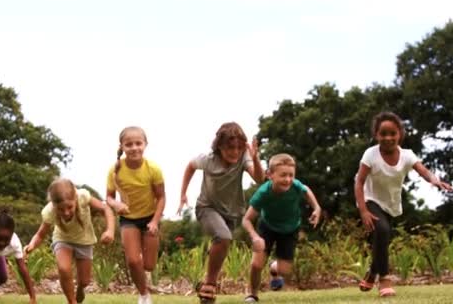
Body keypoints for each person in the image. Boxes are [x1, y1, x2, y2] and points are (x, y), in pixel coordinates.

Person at [355, 112, 452, 297]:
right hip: (370, 198)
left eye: (393, 133)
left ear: (400, 134)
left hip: (391, 203)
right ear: (376, 135)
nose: (388, 138)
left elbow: (423, 170)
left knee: (382, 239)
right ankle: (384, 280)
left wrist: (435, 180)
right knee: (382, 230)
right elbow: (359, 182)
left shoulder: (407, 155)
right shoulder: (371, 154)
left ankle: (372, 273)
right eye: (383, 134)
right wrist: (363, 210)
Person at [177, 122, 264, 303]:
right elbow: (190, 166)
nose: (235, 152)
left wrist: (255, 158)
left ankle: (206, 284)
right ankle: (209, 284)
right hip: (207, 207)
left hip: (232, 213)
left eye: (239, 148)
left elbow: (259, 179)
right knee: (223, 237)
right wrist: (183, 194)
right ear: (219, 146)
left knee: (222, 243)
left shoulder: (244, 158)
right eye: (230, 148)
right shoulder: (208, 159)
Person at [242, 153, 321, 303]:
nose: (288, 180)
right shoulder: (263, 193)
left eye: (291, 175)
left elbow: (306, 190)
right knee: (256, 264)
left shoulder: (295, 186)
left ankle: (273, 267)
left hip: (290, 230)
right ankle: (252, 293)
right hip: (267, 228)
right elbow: (246, 220)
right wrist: (255, 236)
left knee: (284, 271)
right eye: (283, 175)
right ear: (270, 175)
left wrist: (316, 208)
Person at [24, 178, 115, 304]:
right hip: (63, 239)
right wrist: (32, 245)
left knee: (84, 281)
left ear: (75, 199)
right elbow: (40, 235)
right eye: (60, 209)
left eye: (70, 207)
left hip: (85, 240)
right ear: (54, 205)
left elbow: (106, 209)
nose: (66, 212)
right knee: (63, 268)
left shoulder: (83, 196)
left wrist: (110, 230)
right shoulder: (49, 211)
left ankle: (80, 289)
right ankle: (71, 301)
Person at [105, 126, 166, 304]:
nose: (134, 148)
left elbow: (161, 197)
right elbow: (108, 197)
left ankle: (145, 288)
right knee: (132, 261)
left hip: (150, 218)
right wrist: (116, 204)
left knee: (149, 265)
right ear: (122, 147)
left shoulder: (153, 169)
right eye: (129, 144)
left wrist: (155, 221)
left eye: (138, 143)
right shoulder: (115, 170)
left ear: (145, 144)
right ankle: (144, 295)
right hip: (128, 219)